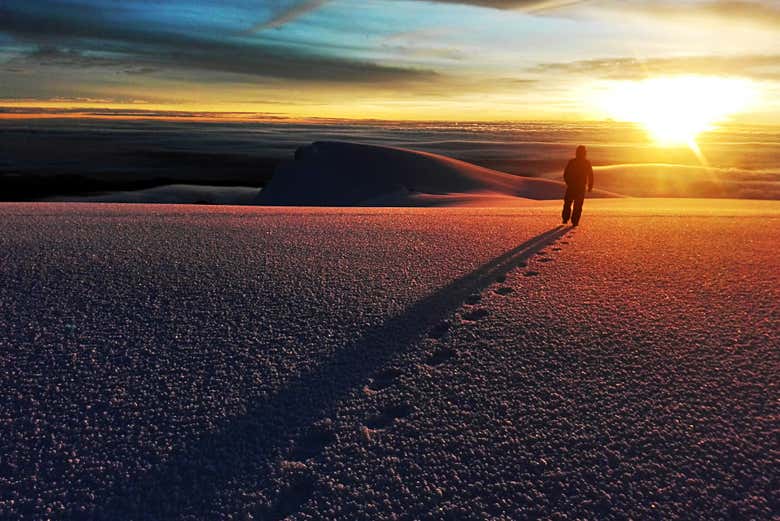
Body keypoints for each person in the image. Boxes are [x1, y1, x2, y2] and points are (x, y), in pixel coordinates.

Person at [562, 145, 593, 226]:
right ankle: (571, 221)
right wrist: (590, 186)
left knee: (571, 204)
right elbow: (566, 174)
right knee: (574, 205)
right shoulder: (583, 162)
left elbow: (590, 175)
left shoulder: (578, 162)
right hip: (577, 187)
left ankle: (568, 220)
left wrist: (569, 183)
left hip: (576, 187)